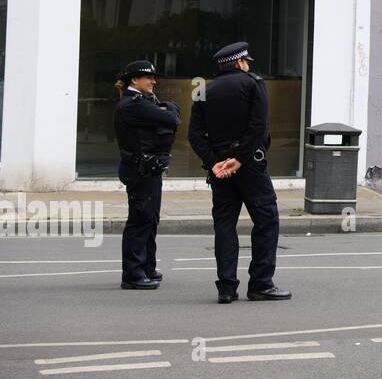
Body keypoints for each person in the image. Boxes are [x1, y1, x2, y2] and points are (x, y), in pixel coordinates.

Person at [188, 42, 291, 304]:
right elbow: (259, 126)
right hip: (249, 167)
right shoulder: (252, 83)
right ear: (240, 63)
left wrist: (214, 162)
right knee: (266, 221)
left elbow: (195, 135)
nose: (248, 66)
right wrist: (240, 159)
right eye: (247, 62)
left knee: (224, 225)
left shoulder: (203, 91)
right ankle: (260, 284)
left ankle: (226, 287)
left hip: (220, 170)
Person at [113, 60, 181, 290]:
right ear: (134, 80)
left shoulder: (143, 102)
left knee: (150, 219)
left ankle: (147, 267)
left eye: (154, 77)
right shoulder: (132, 104)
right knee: (140, 220)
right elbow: (173, 118)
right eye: (148, 77)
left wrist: (166, 108)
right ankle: (133, 274)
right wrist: (166, 109)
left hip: (149, 169)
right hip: (140, 170)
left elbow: (172, 111)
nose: (154, 81)